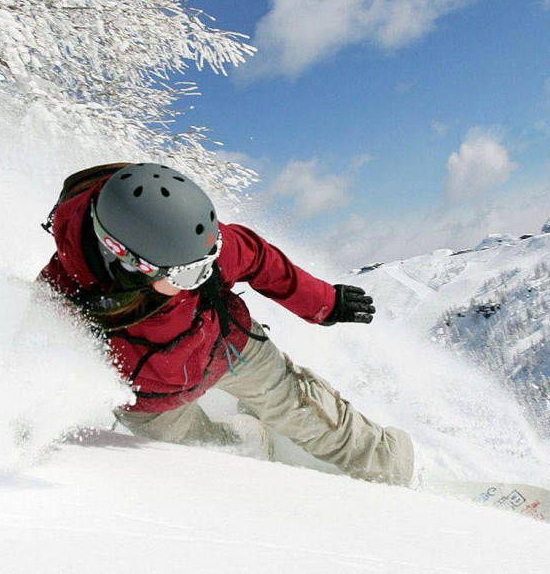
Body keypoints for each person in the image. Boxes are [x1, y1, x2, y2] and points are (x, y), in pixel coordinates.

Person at [38, 162, 414, 486]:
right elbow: (28, 364)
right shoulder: (62, 296)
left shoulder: (195, 244)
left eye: (209, 260)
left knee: (304, 408)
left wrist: (325, 304)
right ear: (129, 264)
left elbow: (260, 260)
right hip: (153, 405)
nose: (204, 276)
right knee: (211, 455)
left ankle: (392, 466)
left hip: (230, 347)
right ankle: (249, 443)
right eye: (188, 274)